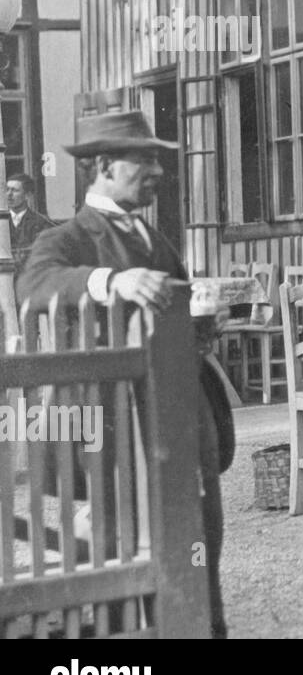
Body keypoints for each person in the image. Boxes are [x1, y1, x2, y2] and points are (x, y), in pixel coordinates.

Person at [19, 110, 232, 639]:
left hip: (178, 410)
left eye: (158, 158)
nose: (157, 170)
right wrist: (110, 282)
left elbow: (173, 308)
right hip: (112, 419)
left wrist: (204, 321)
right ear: (104, 166)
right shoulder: (68, 238)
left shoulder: (155, 239)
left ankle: (200, 625)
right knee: (115, 535)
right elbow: (36, 285)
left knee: (198, 525)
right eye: (145, 158)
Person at [6, 171, 53, 276]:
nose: (9, 194)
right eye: (7, 190)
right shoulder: (2, 221)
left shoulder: (41, 224)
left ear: (28, 195)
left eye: (15, 191)